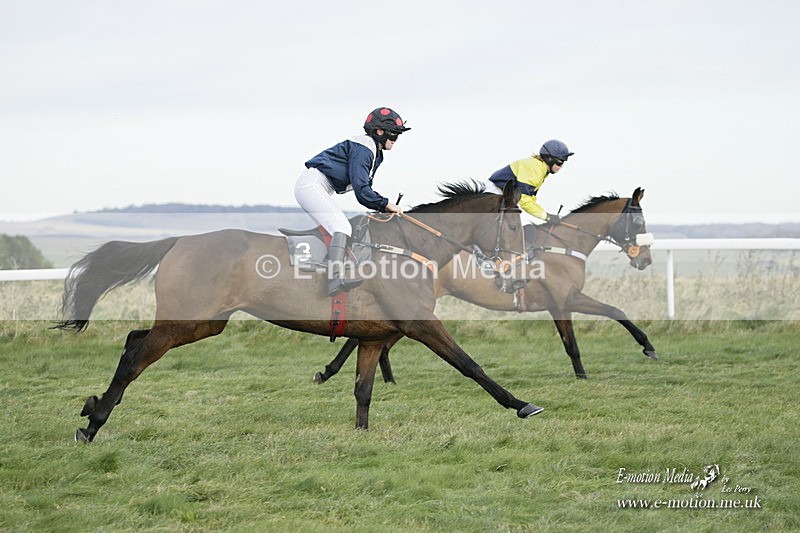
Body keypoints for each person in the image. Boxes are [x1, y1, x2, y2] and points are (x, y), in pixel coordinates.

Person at [294, 107, 410, 296]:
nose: (395, 140)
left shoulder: (374, 151)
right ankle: (334, 280)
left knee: (337, 228)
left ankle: (322, 269)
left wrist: (381, 205)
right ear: (379, 132)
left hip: (318, 186)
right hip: (312, 185)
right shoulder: (365, 147)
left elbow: (364, 189)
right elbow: (362, 191)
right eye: (394, 135)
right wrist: (386, 204)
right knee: (342, 226)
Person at [484, 139, 574, 224]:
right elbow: (525, 200)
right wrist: (547, 217)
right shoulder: (535, 168)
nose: (561, 167)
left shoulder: (541, 169)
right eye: (560, 163)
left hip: (503, 195)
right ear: (549, 159)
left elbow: (530, 200)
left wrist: (546, 215)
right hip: (494, 192)